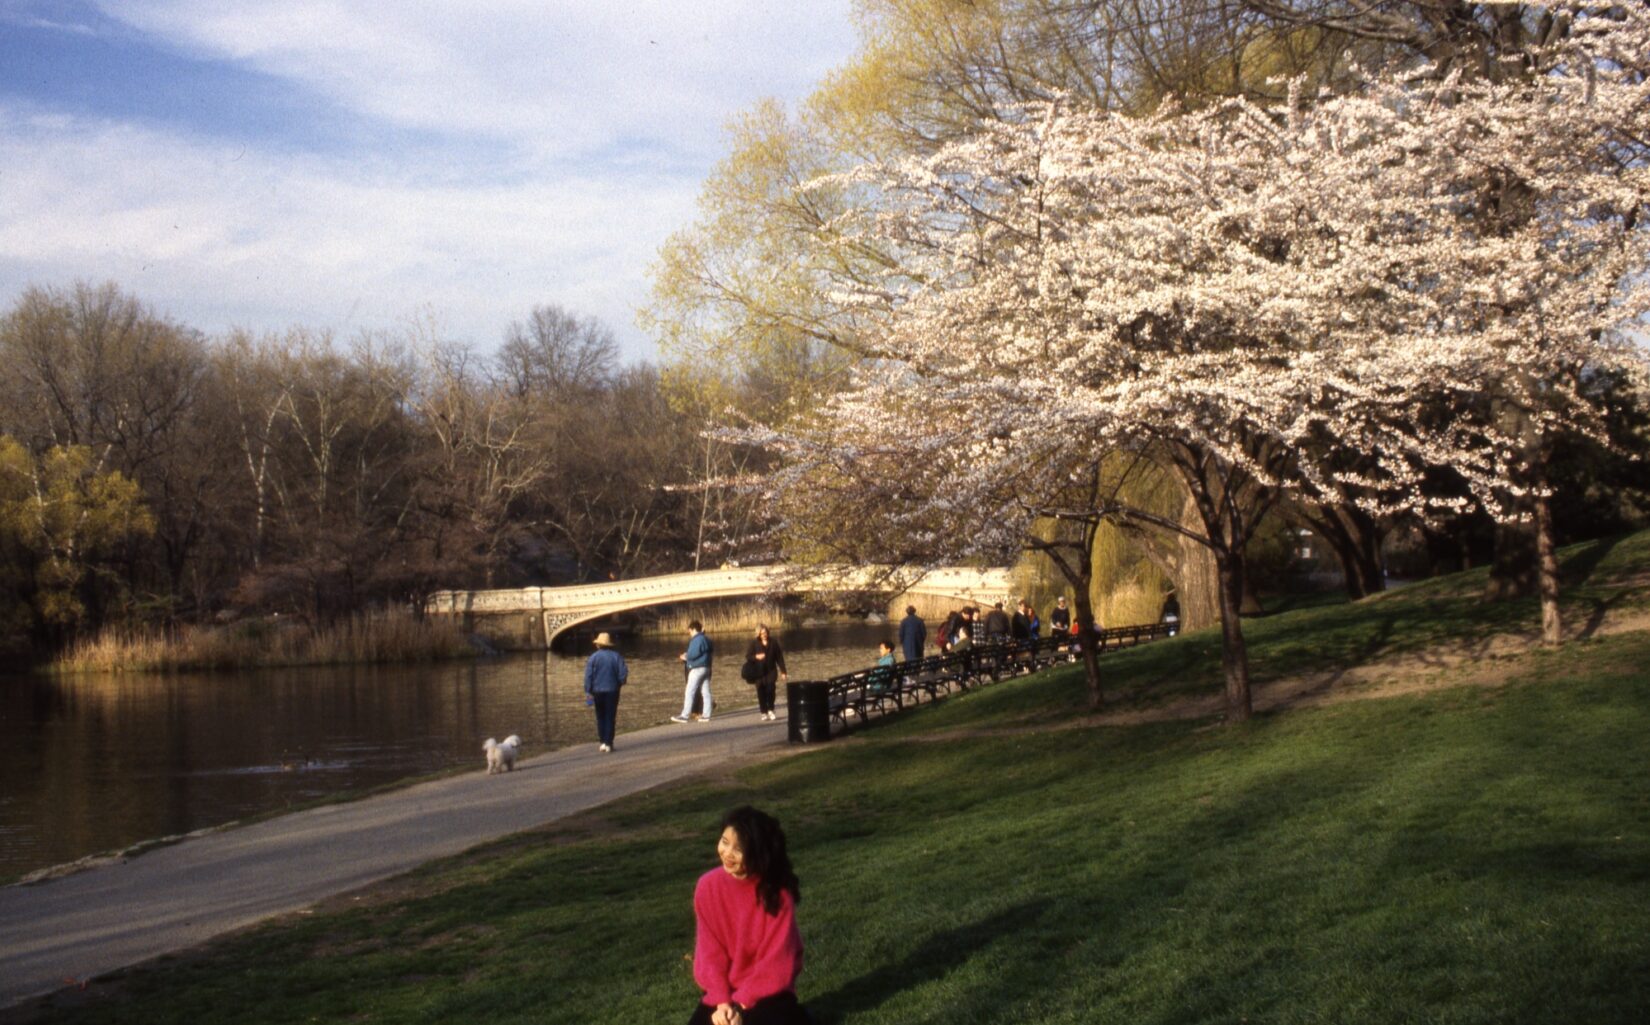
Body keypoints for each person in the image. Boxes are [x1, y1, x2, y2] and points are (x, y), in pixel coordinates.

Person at [689, 806, 811, 1025]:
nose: (728, 853)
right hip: (725, 994)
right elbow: (709, 953)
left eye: (739, 848)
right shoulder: (707, 886)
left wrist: (741, 1007)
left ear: (757, 852)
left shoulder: (777, 894)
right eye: (725, 842)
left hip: (769, 992)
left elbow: (777, 964)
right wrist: (722, 1003)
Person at [582, 631, 628, 753]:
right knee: (610, 716)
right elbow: (623, 674)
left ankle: (602, 741)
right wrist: (619, 683)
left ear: (598, 645)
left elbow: (588, 676)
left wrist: (588, 690)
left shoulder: (593, 658)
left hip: (597, 691)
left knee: (600, 716)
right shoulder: (616, 656)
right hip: (612, 690)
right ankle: (609, 742)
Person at [745, 624, 789, 722]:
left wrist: (783, 671)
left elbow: (779, 658)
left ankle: (771, 710)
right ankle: (763, 712)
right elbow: (748, 656)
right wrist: (756, 657)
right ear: (758, 634)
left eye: (765, 632)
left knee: (771, 690)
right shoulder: (754, 643)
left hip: (771, 671)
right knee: (761, 692)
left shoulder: (773, 642)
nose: (764, 635)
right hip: (759, 672)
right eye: (762, 633)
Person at [674, 620, 714, 723]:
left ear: (693, 629)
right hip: (706, 668)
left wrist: (685, 656)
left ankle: (685, 715)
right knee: (706, 692)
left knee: (689, 691)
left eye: (690, 631)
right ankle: (706, 715)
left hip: (697, 668)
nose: (690, 634)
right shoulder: (707, 639)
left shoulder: (697, 640)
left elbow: (692, 654)